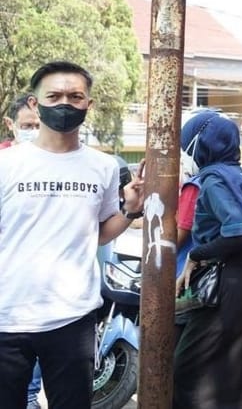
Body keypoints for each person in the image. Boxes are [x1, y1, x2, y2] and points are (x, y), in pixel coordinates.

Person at [0, 61, 146, 409]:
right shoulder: (7, 164)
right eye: (54, 95)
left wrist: (129, 210)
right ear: (35, 104)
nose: (64, 103)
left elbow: (95, 234)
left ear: (88, 105)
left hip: (73, 317)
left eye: (75, 96)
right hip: (7, 316)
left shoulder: (104, 167)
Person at [172, 110, 242, 408]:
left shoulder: (214, 179)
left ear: (199, 144)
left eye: (186, 146)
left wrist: (196, 253)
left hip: (226, 286)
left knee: (189, 370)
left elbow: (238, 230)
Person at [0, 95, 44, 409]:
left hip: (40, 290)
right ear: (10, 126)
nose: (32, 131)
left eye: (37, 126)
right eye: (27, 126)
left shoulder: (54, 166)